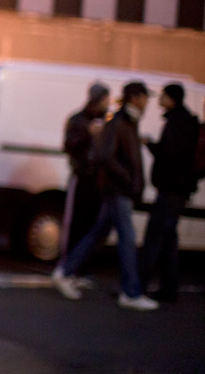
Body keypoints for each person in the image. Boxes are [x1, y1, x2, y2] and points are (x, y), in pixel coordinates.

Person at [52, 81, 159, 311]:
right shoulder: (114, 122)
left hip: (110, 187)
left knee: (97, 232)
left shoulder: (119, 121)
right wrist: (128, 179)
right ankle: (130, 291)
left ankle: (66, 271)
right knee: (124, 239)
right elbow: (101, 154)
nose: (147, 103)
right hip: (109, 186)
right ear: (135, 98)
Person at [139, 83, 200, 302]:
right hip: (178, 189)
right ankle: (169, 288)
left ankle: (138, 287)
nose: (159, 100)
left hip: (171, 189)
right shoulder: (184, 120)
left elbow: (170, 155)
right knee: (168, 238)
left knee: (155, 236)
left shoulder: (177, 122)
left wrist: (151, 145)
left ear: (172, 98)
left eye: (163, 96)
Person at [60, 82, 110, 259]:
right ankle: (69, 262)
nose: (107, 102)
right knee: (76, 222)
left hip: (100, 179)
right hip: (82, 176)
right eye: (105, 98)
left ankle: (82, 263)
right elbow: (68, 145)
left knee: (94, 223)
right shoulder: (78, 119)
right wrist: (88, 133)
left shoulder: (108, 120)